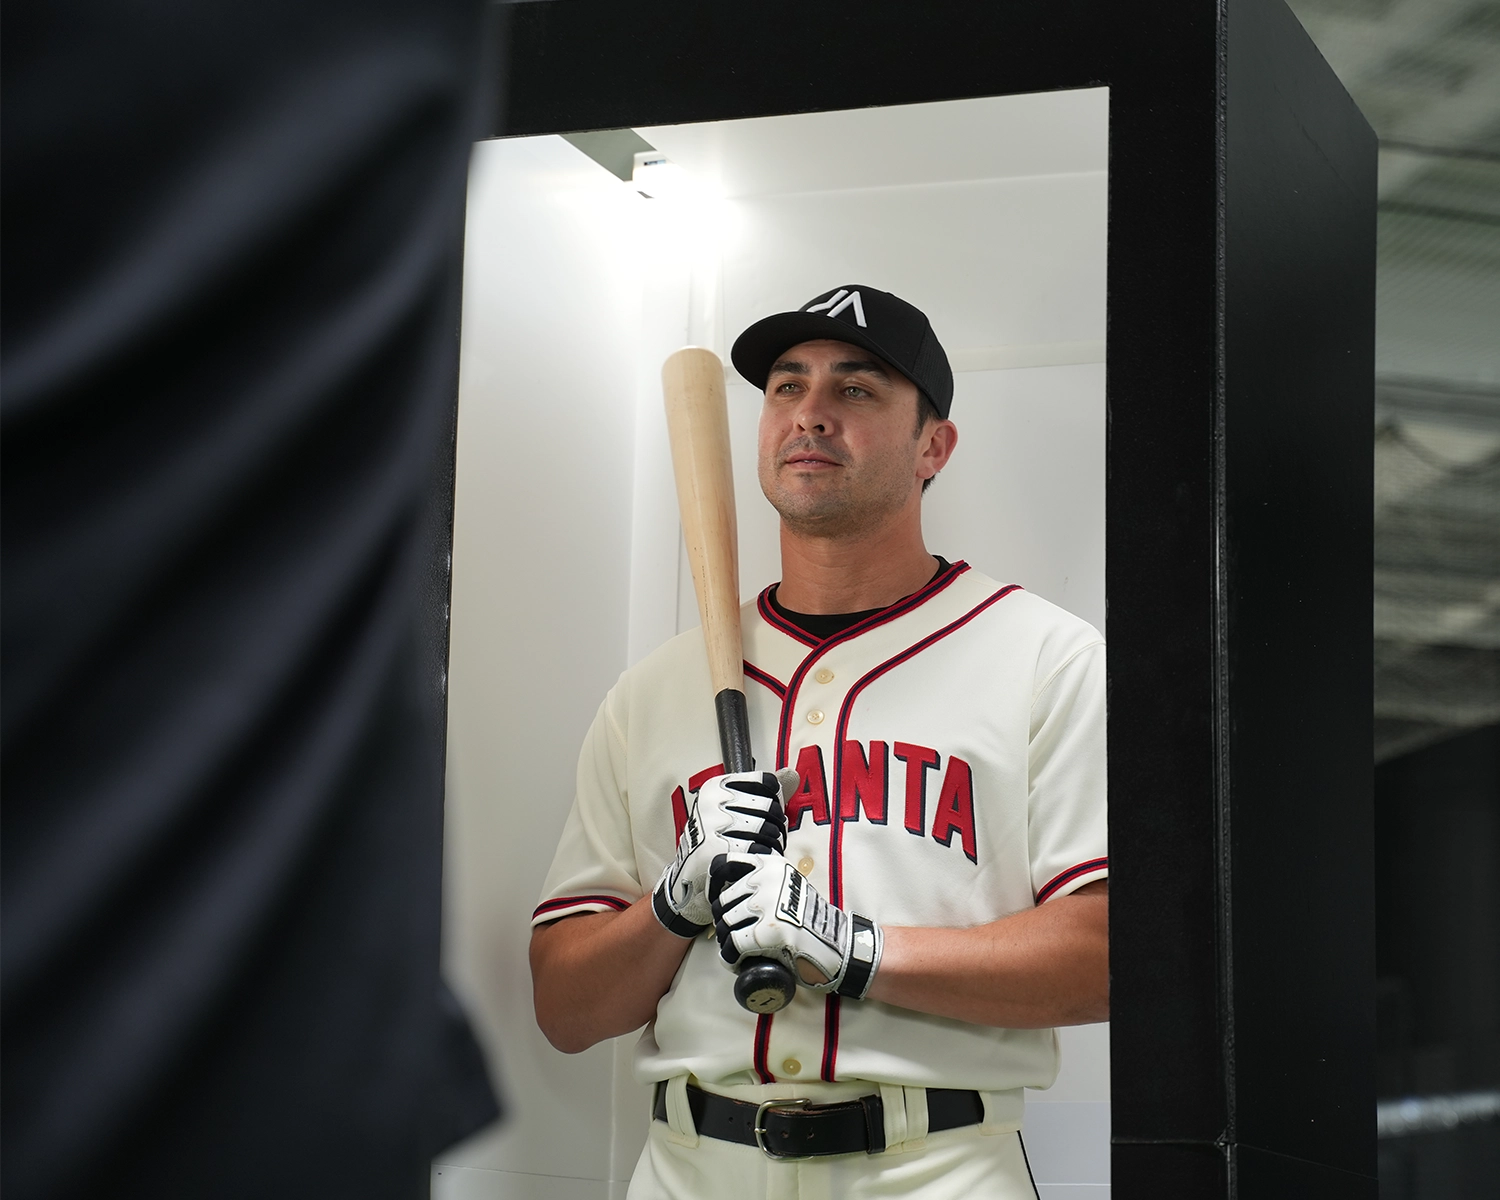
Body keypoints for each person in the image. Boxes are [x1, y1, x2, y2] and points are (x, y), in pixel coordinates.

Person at [529, 284, 1107, 1199]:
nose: (809, 414)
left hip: (937, 1169)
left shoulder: (1046, 659)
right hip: (690, 1167)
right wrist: (674, 905)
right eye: (786, 387)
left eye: (857, 389)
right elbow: (564, 1005)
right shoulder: (652, 695)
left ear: (934, 447)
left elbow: (1113, 957)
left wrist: (856, 948)